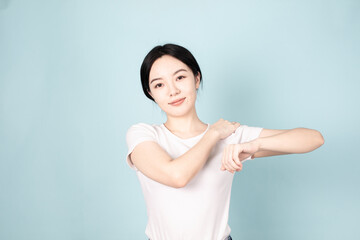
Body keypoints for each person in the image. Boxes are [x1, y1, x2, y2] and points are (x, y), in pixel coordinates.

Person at [125, 43, 324, 240]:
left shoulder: (230, 136)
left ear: (196, 79)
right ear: (150, 93)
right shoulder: (143, 135)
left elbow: (314, 139)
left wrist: (255, 145)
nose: (173, 90)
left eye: (180, 77)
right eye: (159, 84)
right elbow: (177, 176)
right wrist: (212, 135)